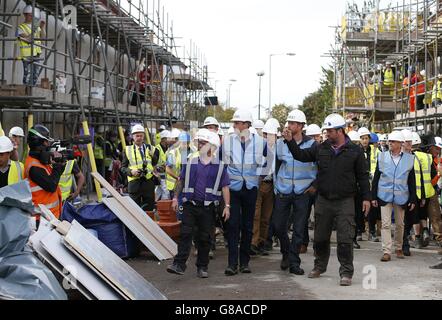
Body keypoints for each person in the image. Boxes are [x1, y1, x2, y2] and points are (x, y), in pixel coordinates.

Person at [283, 113, 370, 286]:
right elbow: (301, 155)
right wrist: (290, 141)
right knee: (321, 237)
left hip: (345, 200)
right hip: (323, 199)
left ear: (340, 131)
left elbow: (362, 176)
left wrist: (367, 198)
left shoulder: (355, 151)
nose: (327, 134)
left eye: (329, 131)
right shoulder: (321, 148)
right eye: (326, 131)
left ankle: (346, 272)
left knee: (345, 238)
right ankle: (319, 266)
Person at [167, 130, 230, 278]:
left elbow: (225, 187)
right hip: (190, 204)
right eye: (199, 142)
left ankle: (202, 266)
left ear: (212, 146)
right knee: (185, 233)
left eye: (203, 143)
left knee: (204, 238)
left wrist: (227, 206)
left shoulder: (219, 166)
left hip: (208, 208)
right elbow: (181, 181)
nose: (199, 145)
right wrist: (176, 198)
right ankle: (179, 264)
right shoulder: (191, 163)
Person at [273, 110, 317, 275]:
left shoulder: (312, 144)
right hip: (283, 191)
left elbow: (319, 166)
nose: (289, 126)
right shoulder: (281, 143)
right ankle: (286, 252)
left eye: (292, 123)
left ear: (300, 126)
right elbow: (276, 165)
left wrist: (315, 185)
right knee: (278, 226)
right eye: (288, 123)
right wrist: (276, 186)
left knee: (299, 229)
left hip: (302, 192)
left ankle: (294, 262)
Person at [222, 110, 266, 276]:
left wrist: (258, 178)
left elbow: (268, 162)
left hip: (250, 189)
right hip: (233, 189)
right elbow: (220, 162)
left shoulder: (260, 143)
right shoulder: (227, 142)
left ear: (246, 125)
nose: (234, 125)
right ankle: (232, 264)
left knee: (248, 226)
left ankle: (245, 262)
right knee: (233, 226)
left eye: (237, 123)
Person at [371, 130, 416, 262]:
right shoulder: (382, 156)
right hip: (384, 195)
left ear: (400, 143)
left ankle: (398, 247)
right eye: (389, 141)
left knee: (400, 224)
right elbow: (376, 178)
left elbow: (411, 180)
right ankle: (386, 251)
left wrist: (413, 198)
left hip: (401, 196)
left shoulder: (409, 159)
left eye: (393, 141)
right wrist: (373, 196)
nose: (390, 143)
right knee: (385, 224)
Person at [24, 124, 64, 224]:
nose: (47, 144)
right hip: (41, 220)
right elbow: (51, 185)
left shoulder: (40, 162)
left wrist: (59, 165)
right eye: (46, 141)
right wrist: (58, 167)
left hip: (50, 217)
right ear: (39, 142)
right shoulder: (34, 167)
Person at [251, 118, 279, 256]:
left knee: (266, 216)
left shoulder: (279, 148)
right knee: (256, 215)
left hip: (271, 185)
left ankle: (262, 242)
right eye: (267, 134)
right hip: (259, 183)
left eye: (272, 135)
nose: (270, 137)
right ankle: (253, 243)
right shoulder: (259, 147)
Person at [402, 132, 431, 255]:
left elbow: (418, 179)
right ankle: (406, 243)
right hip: (410, 193)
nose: (409, 144)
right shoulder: (425, 157)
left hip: (411, 194)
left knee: (408, 220)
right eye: (407, 142)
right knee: (407, 220)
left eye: (410, 142)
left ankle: (408, 242)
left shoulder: (413, 158)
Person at [121, 124, 156, 211]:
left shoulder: (151, 148)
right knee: (134, 211)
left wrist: (153, 156)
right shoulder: (127, 150)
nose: (139, 138)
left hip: (148, 183)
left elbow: (155, 163)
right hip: (134, 184)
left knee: (149, 211)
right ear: (132, 136)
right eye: (137, 136)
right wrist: (131, 171)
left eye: (141, 135)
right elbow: (123, 168)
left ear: (144, 136)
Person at [358, 127, 381, 243]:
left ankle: (372, 232)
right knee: (359, 208)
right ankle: (359, 231)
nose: (365, 141)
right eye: (362, 138)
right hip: (359, 184)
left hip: (372, 184)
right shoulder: (356, 150)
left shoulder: (376, 151)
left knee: (372, 209)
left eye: (366, 138)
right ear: (359, 140)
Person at [17, 5, 45, 86]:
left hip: (37, 54)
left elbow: (43, 38)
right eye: (29, 15)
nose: (31, 17)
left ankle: (32, 90)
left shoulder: (36, 27)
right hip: (27, 55)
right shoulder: (21, 27)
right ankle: (26, 91)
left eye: (33, 15)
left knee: (35, 74)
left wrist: (42, 28)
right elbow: (28, 39)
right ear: (25, 15)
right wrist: (35, 29)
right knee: (28, 74)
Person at [154, 129, 171, 200]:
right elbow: (153, 163)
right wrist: (156, 173)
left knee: (159, 191)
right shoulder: (157, 149)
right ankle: (164, 206)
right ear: (164, 139)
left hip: (165, 173)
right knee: (165, 191)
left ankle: (154, 204)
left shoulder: (167, 148)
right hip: (159, 173)